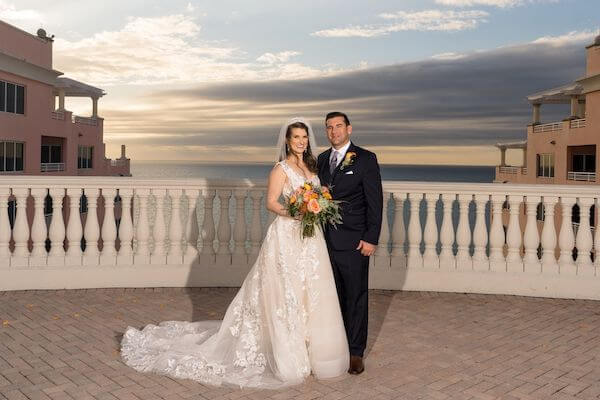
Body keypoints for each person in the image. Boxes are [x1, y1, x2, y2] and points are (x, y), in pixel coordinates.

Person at [120, 117, 349, 389]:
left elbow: (318, 194)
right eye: (296, 137)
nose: (301, 142)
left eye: (304, 137)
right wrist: (298, 212)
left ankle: (314, 351)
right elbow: (272, 203)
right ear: (287, 141)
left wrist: (318, 206)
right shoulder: (281, 169)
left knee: (310, 291)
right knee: (283, 291)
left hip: (310, 240)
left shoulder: (311, 165)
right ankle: (286, 352)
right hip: (287, 236)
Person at [317, 111, 383, 375]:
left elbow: (375, 202)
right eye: (329, 128)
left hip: (355, 242)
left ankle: (356, 352)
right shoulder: (322, 160)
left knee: (355, 297)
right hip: (324, 242)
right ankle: (336, 347)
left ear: (349, 129)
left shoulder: (366, 159)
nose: (334, 131)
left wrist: (370, 237)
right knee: (331, 298)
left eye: (338, 126)